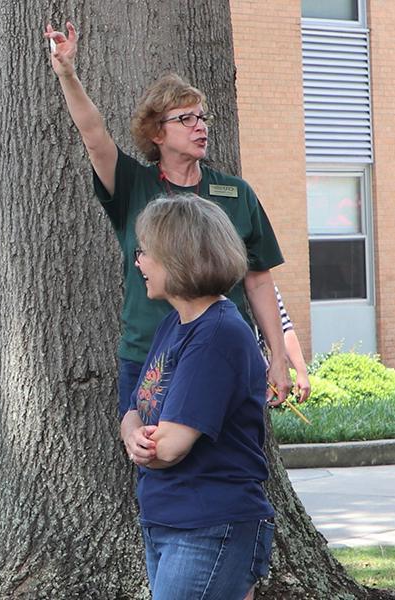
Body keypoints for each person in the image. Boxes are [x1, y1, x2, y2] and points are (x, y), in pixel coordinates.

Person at [44, 22, 307, 408]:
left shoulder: (236, 193)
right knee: (154, 453)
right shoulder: (132, 186)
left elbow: (259, 282)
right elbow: (93, 134)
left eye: (201, 118)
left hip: (224, 354)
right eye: (186, 118)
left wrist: (278, 357)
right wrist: (67, 73)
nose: (199, 127)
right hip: (150, 357)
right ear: (156, 133)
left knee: (227, 459)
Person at [121, 194, 273, 600]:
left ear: (178, 256)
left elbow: (170, 448)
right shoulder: (175, 325)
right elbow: (134, 408)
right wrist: (132, 433)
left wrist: (143, 442)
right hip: (168, 521)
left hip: (210, 528)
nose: (139, 263)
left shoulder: (217, 335)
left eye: (146, 252)